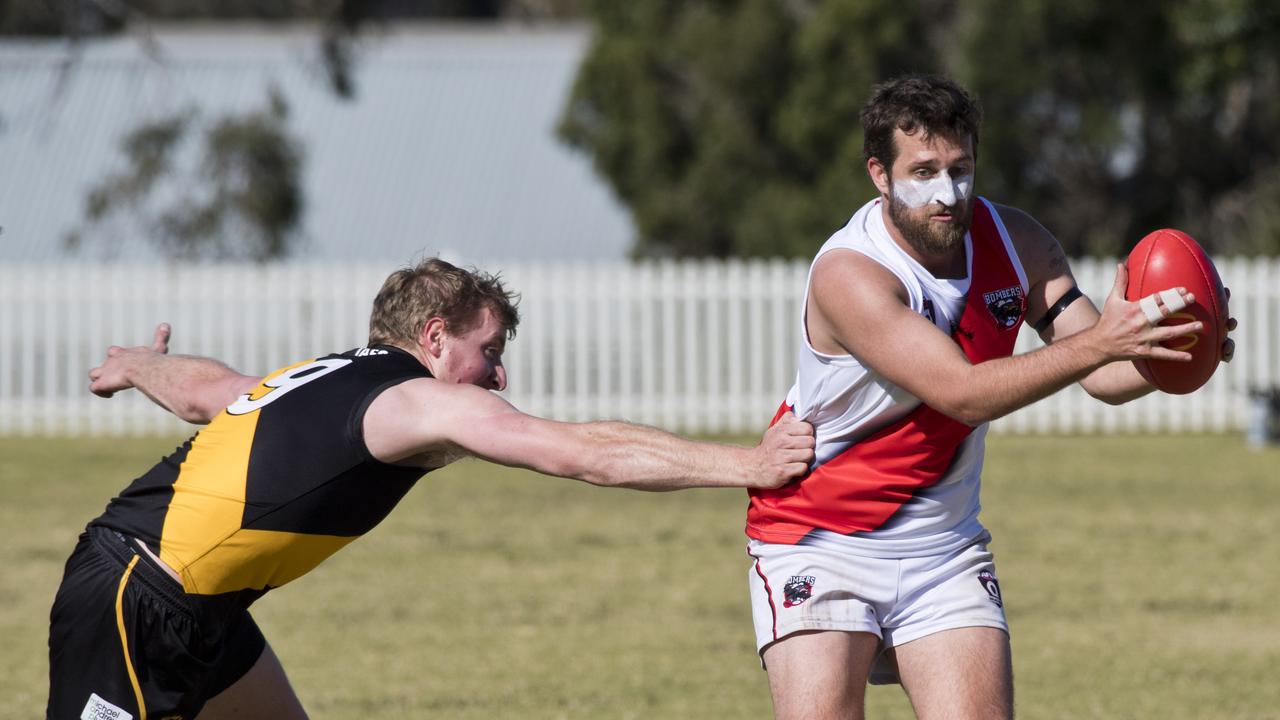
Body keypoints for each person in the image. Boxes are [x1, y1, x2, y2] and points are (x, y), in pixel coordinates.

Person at [48, 258, 816, 720]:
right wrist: (747, 465)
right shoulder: (416, 398)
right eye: (490, 351)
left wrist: (136, 366)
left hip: (197, 605)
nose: (500, 375)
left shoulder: (325, 377)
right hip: (138, 596)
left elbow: (205, 390)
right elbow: (580, 453)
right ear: (435, 336)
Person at [743, 75, 1237, 720]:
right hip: (818, 537)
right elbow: (963, 394)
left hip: (942, 548)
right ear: (879, 175)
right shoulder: (851, 275)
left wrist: (1165, 352)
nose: (946, 193)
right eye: (922, 172)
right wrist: (1106, 343)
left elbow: (1100, 372)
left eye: (960, 168)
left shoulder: (1019, 242)